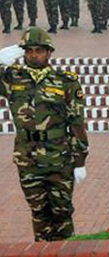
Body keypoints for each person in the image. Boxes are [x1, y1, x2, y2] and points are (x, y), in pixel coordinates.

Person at [0, 27, 88, 241]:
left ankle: (67, 252)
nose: (34, 55)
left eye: (39, 50)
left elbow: (76, 122)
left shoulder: (65, 81)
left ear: (49, 52)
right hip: (27, 159)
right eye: (29, 51)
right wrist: (5, 54)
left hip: (59, 158)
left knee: (62, 213)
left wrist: (80, 160)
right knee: (39, 214)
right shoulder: (12, 78)